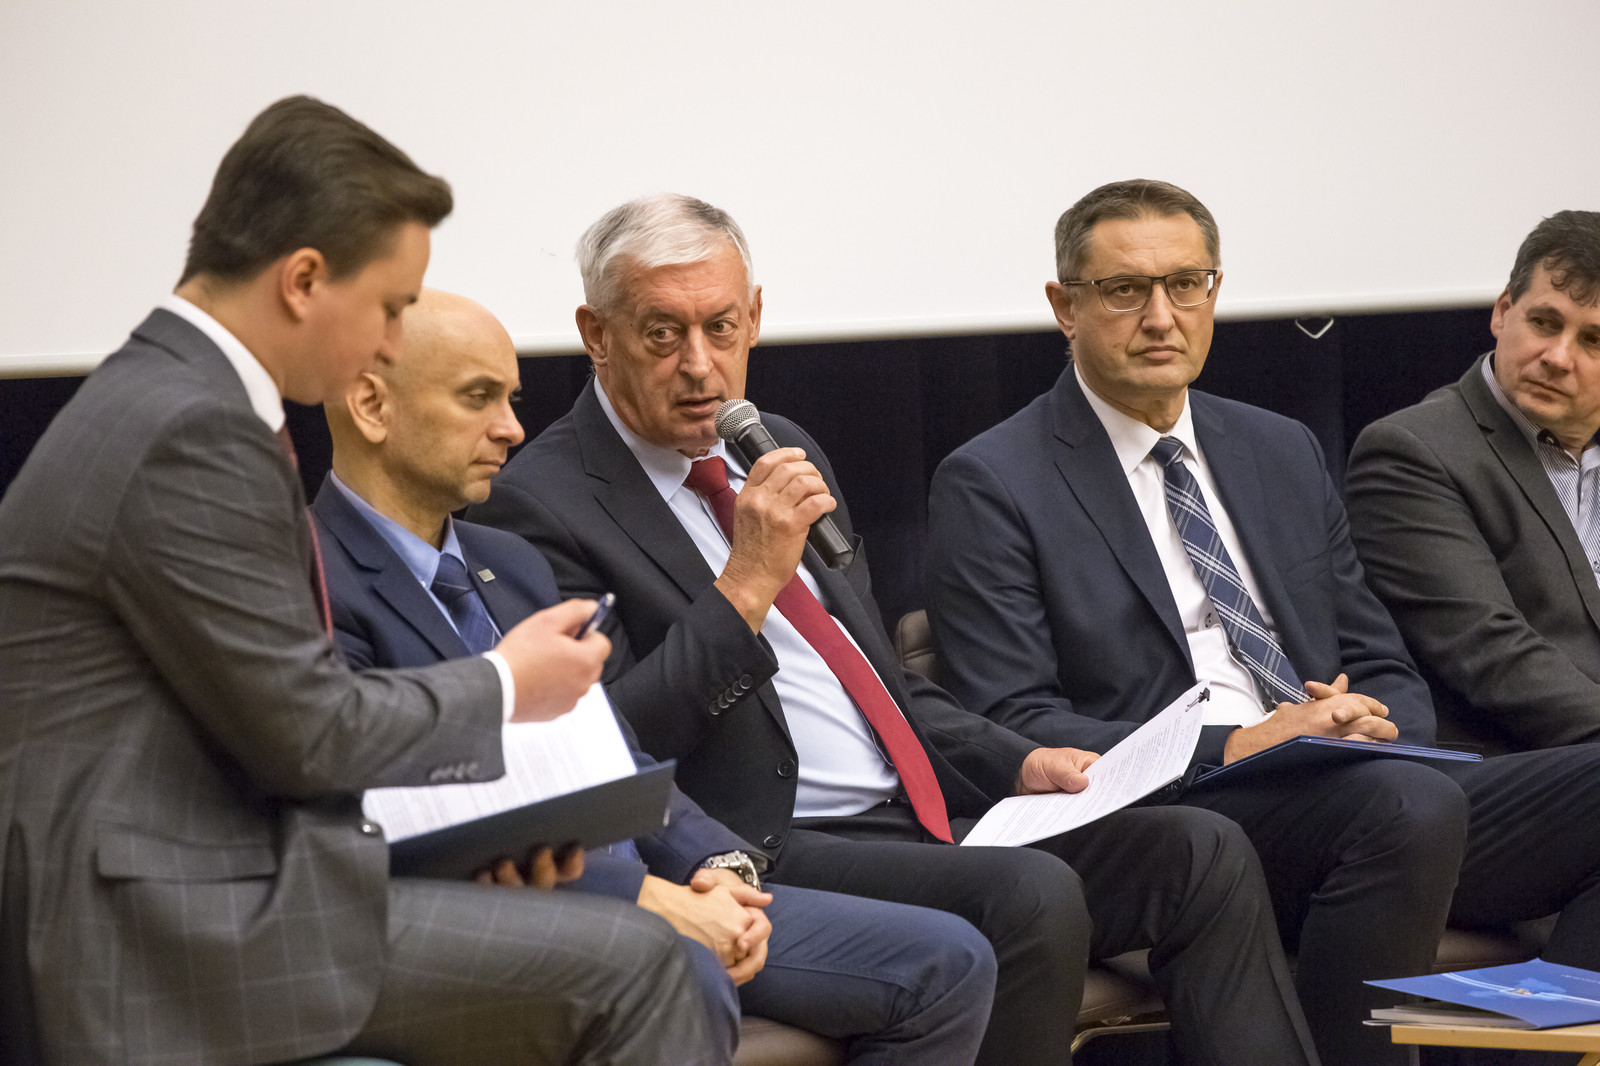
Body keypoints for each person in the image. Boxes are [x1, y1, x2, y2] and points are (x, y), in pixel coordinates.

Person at [468, 192, 1320, 1066]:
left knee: (1199, 852)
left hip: (916, 811)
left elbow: (881, 683)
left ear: (754, 317)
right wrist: (744, 587)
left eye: (720, 328)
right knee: (1030, 897)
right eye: (661, 334)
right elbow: (610, 744)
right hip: (766, 840)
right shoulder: (541, 503)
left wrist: (1014, 762)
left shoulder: (775, 444)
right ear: (596, 334)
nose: (700, 365)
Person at [0, 96, 723, 1066]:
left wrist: (473, 844)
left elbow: (265, 728)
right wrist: (507, 685)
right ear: (304, 280)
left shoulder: (168, 393)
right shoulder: (191, 428)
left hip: (212, 881)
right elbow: (307, 733)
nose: (388, 343)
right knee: (642, 965)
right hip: (162, 929)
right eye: (388, 308)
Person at [924, 177, 1600, 1066]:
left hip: (1361, 786)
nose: (1161, 317)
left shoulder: (1278, 446)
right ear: (1065, 307)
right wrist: (1242, 744)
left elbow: (1379, 659)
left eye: (1186, 284)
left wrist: (1375, 721)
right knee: (1406, 803)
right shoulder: (993, 480)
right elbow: (1016, 720)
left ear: (1215, 291)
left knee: (1433, 791)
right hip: (1190, 813)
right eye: (1125, 290)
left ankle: (1534, 1057)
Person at [311, 287, 999, 1064]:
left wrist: (715, 865)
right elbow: (401, 825)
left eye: (512, 399)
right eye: (478, 399)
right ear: (371, 406)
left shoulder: (507, 561)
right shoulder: (308, 587)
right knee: (674, 967)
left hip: (641, 884)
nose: (511, 428)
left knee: (949, 963)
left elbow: (610, 752)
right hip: (487, 918)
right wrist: (649, 900)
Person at [1346, 211, 1600, 756]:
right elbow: (1491, 653)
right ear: (1503, 311)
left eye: (1594, 340)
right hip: (1515, 765)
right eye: (1545, 323)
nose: (1558, 358)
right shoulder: (1410, 451)